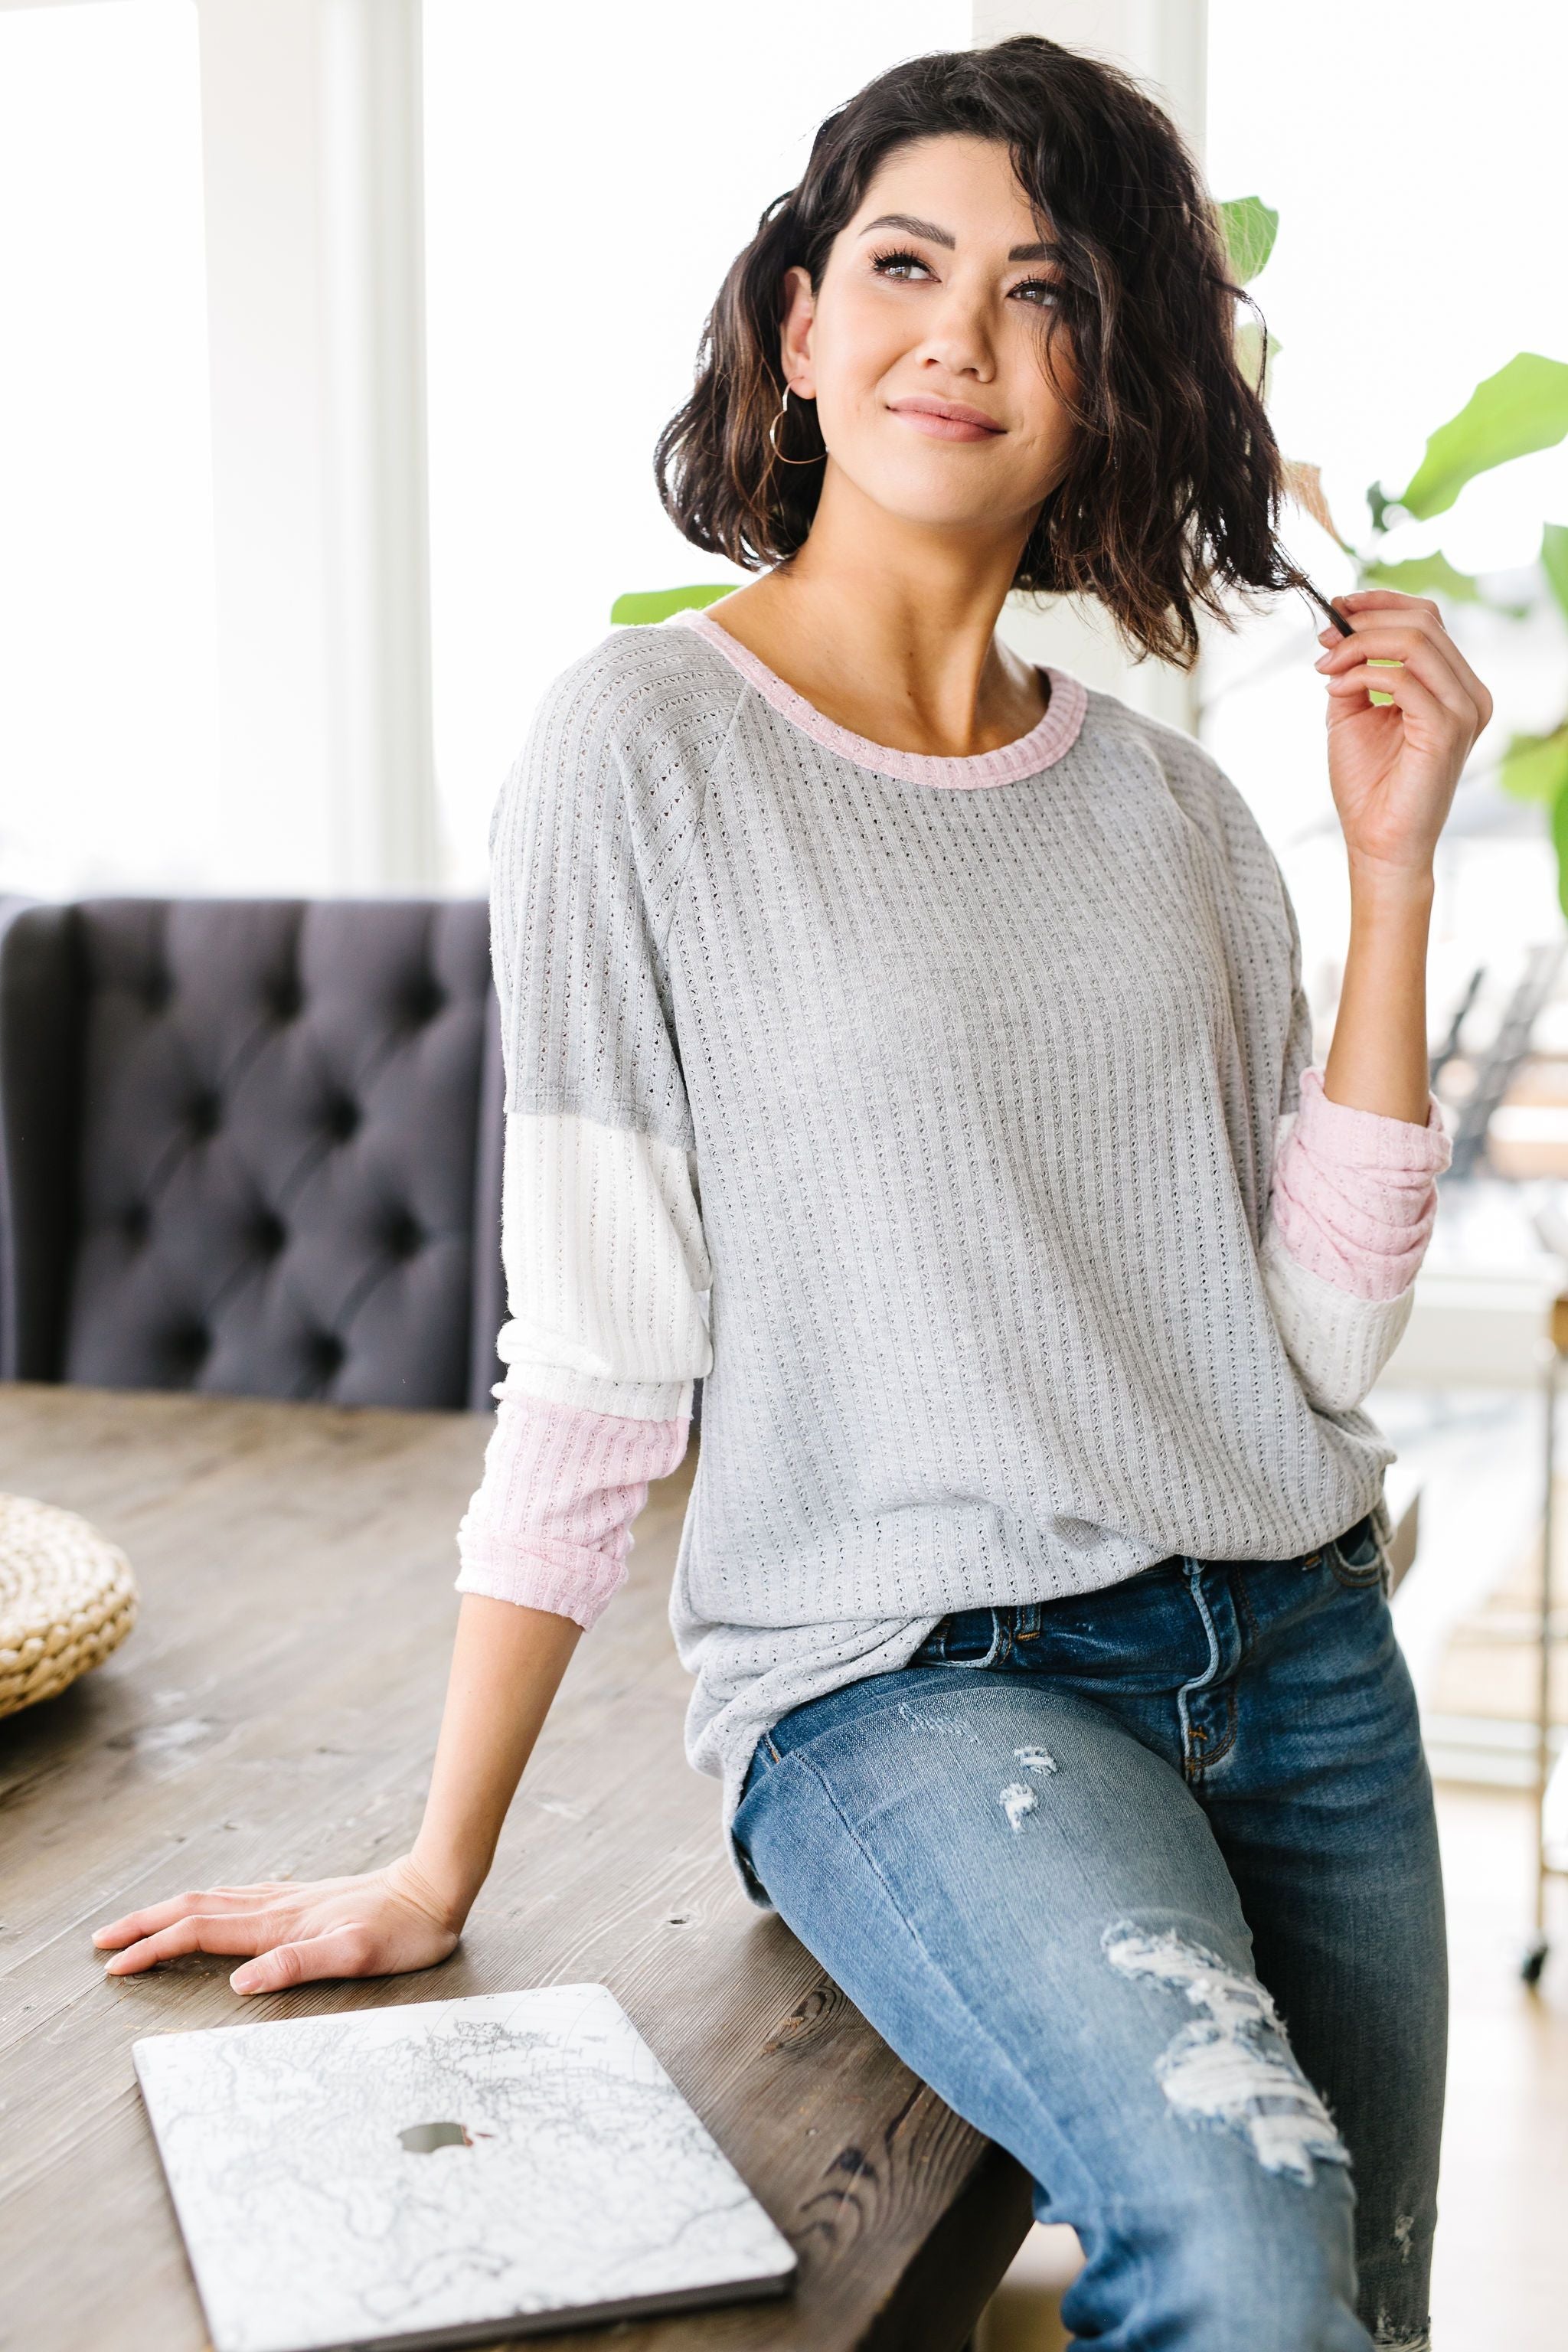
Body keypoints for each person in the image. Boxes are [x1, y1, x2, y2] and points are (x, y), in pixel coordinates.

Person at [93, 36, 1488, 2351]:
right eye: (905, 264)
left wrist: (1392, 867)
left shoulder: (1179, 822)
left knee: (1365, 2308)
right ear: (801, 327)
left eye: (1041, 292)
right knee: (1243, 2251)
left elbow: (1318, 1346)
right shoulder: (641, 752)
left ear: (1107, 376)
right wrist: (445, 1859)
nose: (960, 330)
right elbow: (607, 1357)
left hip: (1305, 1650)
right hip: (915, 1685)